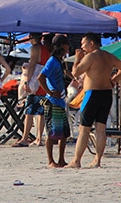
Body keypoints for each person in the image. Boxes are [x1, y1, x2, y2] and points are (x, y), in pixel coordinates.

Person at [66, 32, 121, 168]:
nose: (82, 47)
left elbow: (75, 72)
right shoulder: (108, 56)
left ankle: (76, 161)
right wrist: (114, 80)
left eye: (83, 44)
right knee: (101, 129)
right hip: (106, 94)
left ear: (91, 43)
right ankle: (97, 160)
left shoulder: (91, 56)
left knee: (84, 129)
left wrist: (77, 59)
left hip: (92, 94)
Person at [12, 33, 52, 148]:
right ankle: (39, 138)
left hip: (35, 82)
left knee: (29, 112)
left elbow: (33, 65)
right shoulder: (46, 49)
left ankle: (25, 138)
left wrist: (26, 81)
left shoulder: (36, 48)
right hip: (43, 82)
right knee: (41, 113)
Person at [37, 34, 71, 167]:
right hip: (52, 101)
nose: (69, 46)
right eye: (67, 44)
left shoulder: (59, 60)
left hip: (60, 101)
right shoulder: (52, 61)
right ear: (63, 45)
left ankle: (61, 160)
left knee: (63, 133)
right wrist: (50, 92)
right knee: (51, 133)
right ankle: (51, 161)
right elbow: (41, 77)